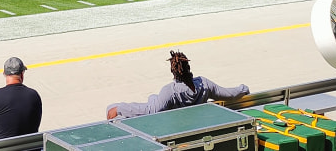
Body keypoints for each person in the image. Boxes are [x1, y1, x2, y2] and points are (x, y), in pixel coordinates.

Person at [106, 51, 248, 119]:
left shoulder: (171, 91)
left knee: (153, 98)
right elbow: (229, 94)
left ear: (173, 71)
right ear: (189, 67)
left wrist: (120, 108)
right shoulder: (204, 84)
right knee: (154, 97)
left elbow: (151, 111)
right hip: (193, 120)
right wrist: (244, 89)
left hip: (176, 122)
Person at [0, 57, 41, 142]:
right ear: (22, 74)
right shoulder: (34, 96)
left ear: (4, 74)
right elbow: (34, 125)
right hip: (30, 147)